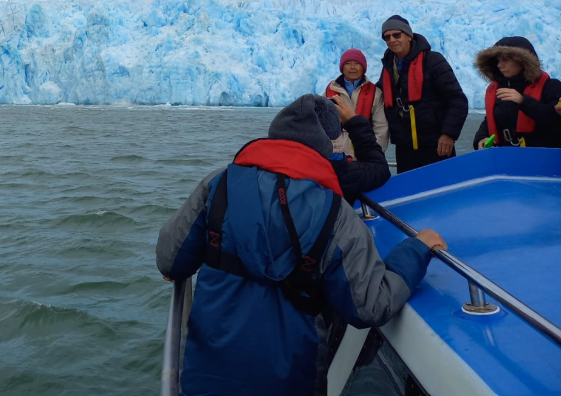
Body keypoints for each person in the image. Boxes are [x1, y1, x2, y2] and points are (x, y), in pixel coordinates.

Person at [156, 94, 445, 396]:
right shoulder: (336, 214)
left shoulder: (219, 184)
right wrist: (416, 250)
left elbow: (169, 259)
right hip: (288, 382)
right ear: (329, 145)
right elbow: (369, 305)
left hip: (205, 379)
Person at [376, 15, 469, 173]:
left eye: (397, 35)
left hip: (436, 145)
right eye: (387, 37)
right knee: (410, 188)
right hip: (405, 147)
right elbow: (377, 98)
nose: (392, 40)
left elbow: (457, 100)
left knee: (442, 186)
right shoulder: (389, 66)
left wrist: (448, 134)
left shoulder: (433, 61)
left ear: (409, 36)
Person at [472, 36, 561, 149]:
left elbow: (556, 122)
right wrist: (481, 137)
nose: (499, 65)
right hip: (506, 154)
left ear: (522, 61)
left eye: (505, 59)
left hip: (541, 155)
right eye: (498, 61)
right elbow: (491, 119)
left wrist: (523, 101)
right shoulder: (498, 88)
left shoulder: (550, 87)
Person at [327, 92, 391, 205]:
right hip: (350, 164)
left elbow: (381, 130)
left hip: (344, 162)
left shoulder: (375, 93)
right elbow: (380, 169)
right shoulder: (344, 174)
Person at [325, 48, 389, 156]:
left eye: (357, 63)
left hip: (365, 152)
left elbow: (381, 128)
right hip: (336, 154)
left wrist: (374, 154)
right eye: (348, 63)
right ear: (342, 68)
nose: (352, 67)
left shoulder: (376, 94)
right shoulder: (329, 91)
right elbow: (322, 125)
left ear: (363, 68)